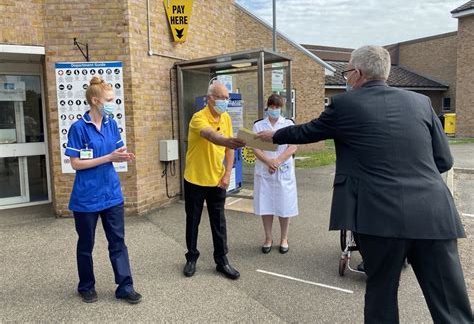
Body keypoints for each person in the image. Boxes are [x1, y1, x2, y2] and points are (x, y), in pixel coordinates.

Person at [256, 46, 473, 323]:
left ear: (357, 74)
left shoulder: (345, 105)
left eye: (347, 72)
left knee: (382, 297)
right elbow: (443, 160)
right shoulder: (421, 103)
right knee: (452, 308)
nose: (346, 78)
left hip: (379, 219)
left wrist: (272, 136)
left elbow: (306, 131)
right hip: (435, 216)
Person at [65, 76, 142, 304]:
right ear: (95, 100)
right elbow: (76, 163)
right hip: (86, 197)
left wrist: (123, 154)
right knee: (86, 244)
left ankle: (125, 286)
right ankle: (86, 286)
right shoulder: (78, 128)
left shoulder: (111, 124)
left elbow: (118, 149)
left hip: (111, 194)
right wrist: (108, 157)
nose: (113, 102)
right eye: (109, 99)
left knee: (118, 242)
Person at [183, 80, 245, 280]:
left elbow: (228, 150)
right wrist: (228, 141)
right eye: (222, 97)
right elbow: (210, 136)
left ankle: (222, 260)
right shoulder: (198, 118)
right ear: (210, 98)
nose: (225, 101)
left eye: (227, 98)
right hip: (195, 179)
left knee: (218, 222)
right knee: (193, 221)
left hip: (217, 180)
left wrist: (227, 174)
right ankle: (191, 257)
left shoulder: (225, 118)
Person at [252, 94, 298, 254]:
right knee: (266, 205)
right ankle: (268, 238)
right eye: (271, 107)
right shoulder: (258, 125)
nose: (274, 110)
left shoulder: (288, 124)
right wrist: (268, 162)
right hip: (265, 169)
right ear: (267, 107)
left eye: (277, 107)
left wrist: (277, 161)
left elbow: (293, 147)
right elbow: (255, 148)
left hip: (282, 168)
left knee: (284, 205)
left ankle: (284, 238)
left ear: (281, 108)